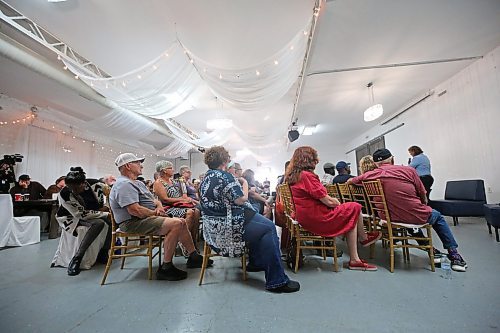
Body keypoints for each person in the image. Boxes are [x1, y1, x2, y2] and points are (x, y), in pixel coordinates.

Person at [348, 148, 467, 272]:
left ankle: (431, 250)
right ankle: (454, 254)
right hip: (414, 215)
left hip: (389, 218)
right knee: (437, 216)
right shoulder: (409, 171)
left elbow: (351, 181)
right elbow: (423, 194)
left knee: (406, 217)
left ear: (375, 164)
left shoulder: (369, 175)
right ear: (392, 159)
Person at [200, 146, 300, 293]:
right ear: (225, 161)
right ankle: (277, 281)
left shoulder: (206, 178)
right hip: (230, 226)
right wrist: (244, 182)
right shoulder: (224, 176)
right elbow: (241, 199)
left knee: (261, 226)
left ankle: (256, 262)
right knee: (268, 228)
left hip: (213, 229)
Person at [109, 153, 210, 281]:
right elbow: (135, 211)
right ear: (128, 166)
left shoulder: (136, 183)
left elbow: (154, 200)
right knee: (176, 223)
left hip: (145, 218)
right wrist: (156, 213)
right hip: (133, 222)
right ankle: (166, 268)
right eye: (138, 163)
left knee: (181, 221)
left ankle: (193, 256)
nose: (141, 166)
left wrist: (158, 206)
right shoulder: (124, 185)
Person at [286, 146, 381, 271]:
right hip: (316, 217)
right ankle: (361, 243)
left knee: (350, 211)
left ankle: (357, 255)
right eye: (315, 158)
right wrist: (337, 202)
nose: (317, 161)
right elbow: (329, 201)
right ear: (309, 160)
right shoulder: (306, 176)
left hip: (305, 215)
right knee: (355, 207)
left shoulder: (295, 176)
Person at [56, 167, 111, 276]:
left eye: (76, 188)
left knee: (112, 222)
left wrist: (107, 206)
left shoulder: (96, 184)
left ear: (84, 183)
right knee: (99, 223)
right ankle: (77, 258)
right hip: (69, 217)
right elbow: (79, 214)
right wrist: (105, 214)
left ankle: (104, 251)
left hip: (91, 213)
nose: (73, 191)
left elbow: (113, 193)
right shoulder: (64, 194)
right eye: (70, 188)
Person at [153, 160, 201, 251]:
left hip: (178, 206)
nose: (173, 170)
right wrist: (182, 199)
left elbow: (182, 194)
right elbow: (165, 199)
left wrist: (186, 199)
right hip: (167, 208)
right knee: (190, 212)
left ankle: (192, 241)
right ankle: (184, 243)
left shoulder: (173, 181)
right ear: (164, 171)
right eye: (170, 168)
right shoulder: (158, 182)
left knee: (197, 212)